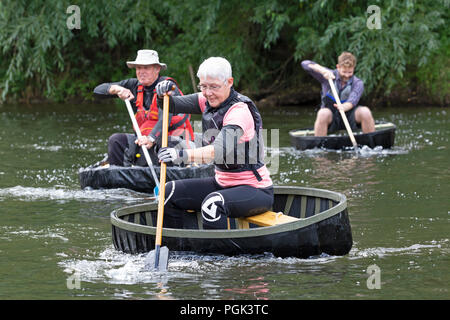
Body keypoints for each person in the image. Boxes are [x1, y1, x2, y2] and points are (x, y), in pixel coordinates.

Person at [154, 57, 274, 230]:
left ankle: (216, 256)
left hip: (255, 190)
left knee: (212, 204)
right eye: (203, 86)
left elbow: (217, 151)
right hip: (222, 183)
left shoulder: (239, 112)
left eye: (214, 87)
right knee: (169, 191)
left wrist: (180, 155)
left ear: (229, 82)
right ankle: (183, 247)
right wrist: (161, 94)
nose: (208, 92)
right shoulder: (206, 100)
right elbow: (170, 105)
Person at [93, 49, 194, 166]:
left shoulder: (167, 87)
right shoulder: (134, 85)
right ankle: (118, 176)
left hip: (173, 141)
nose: (141, 72)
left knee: (164, 142)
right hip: (144, 141)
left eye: (146, 68)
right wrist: (117, 89)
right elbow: (98, 91)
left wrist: (151, 138)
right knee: (115, 140)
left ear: (157, 69)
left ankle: (167, 178)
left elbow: (165, 119)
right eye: (138, 68)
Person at [301, 52, 375, 136]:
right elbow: (305, 64)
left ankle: (370, 142)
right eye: (344, 72)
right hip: (330, 115)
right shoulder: (327, 75)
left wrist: (344, 107)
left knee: (365, 112)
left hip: (349, 115)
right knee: (322, 113)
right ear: (338, 67)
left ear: (354, 68)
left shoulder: (358, 83)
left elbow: (352, 100)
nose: (347, 75)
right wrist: (322, 70)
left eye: (350, 72)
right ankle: (319, 145)